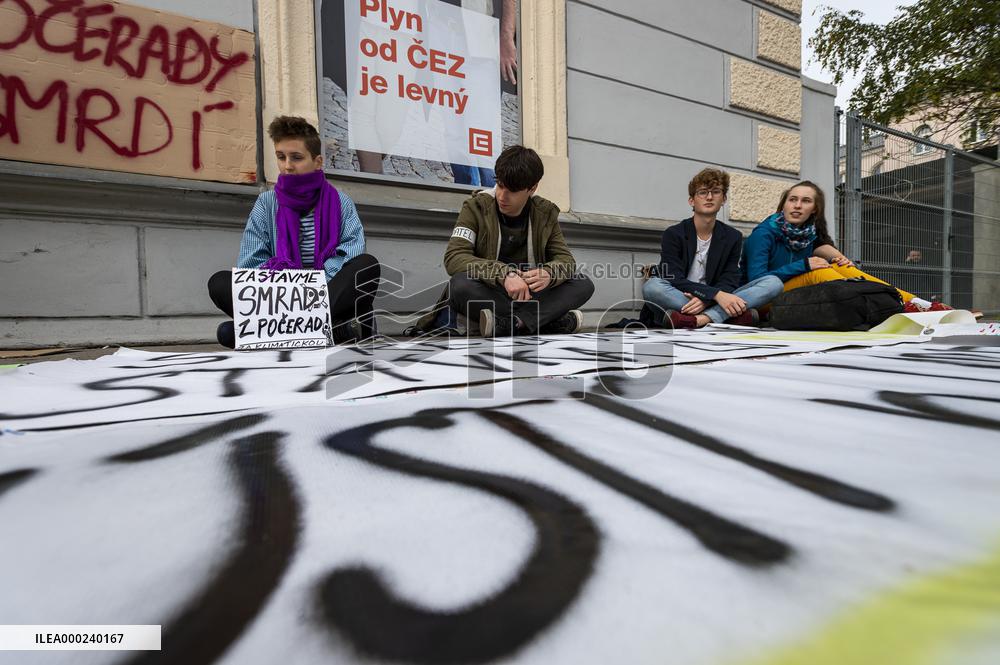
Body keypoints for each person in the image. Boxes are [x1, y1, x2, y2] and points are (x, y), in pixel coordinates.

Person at [207, 116, 381, 348]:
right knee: (219, 282)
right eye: (281, 157)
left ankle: (278, 333)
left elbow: (351, 253)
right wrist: (289, 287)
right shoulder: (266, 203)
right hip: (281, 296)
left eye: (296, 158)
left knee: (366, 265)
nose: (287, 165)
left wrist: (309, 289)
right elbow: (250, 264)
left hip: (326, 292)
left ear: (317, 161)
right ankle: (337, 331)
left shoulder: (341, 202)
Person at [413, 145, 594, 336]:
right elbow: (454, 257)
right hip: (492, 292)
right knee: (460, 285)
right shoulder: (476, 207)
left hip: (529, 296)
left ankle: (514, 323)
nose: (502, 196)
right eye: (499, 184)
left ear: (532, 188)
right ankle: (543, 321)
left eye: (512, 190)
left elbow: (567, 261)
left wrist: (549, 273)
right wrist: (504, 274)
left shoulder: (544, 214)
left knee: (583, 283)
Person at [742, 180, 950, 313]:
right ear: (784, 204)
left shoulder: (809, 236)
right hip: (762, 300)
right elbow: (757, 282)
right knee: (819, 273)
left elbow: (824, 249)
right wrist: (803, 265)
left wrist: (839, 259)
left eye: (805, 201)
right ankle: (890, 307)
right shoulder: (764, 233)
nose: (797, 205)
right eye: (792, 200)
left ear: (814, 210)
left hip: (792, 296)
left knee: (844, 268)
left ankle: (919, 303)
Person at [641, 168, 784, 329]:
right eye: (702, 192)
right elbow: (674, 278)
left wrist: (709, 300)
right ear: (691, 201)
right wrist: (714, 295)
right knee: (652, 287)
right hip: (682, 298)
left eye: (716, 192)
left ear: (723, 199)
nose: (709, 197)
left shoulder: (732, 236)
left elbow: (730, 278)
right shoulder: (674, 234)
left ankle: (701, 319)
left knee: (773, 283)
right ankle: (725, 317)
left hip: (714, 300)